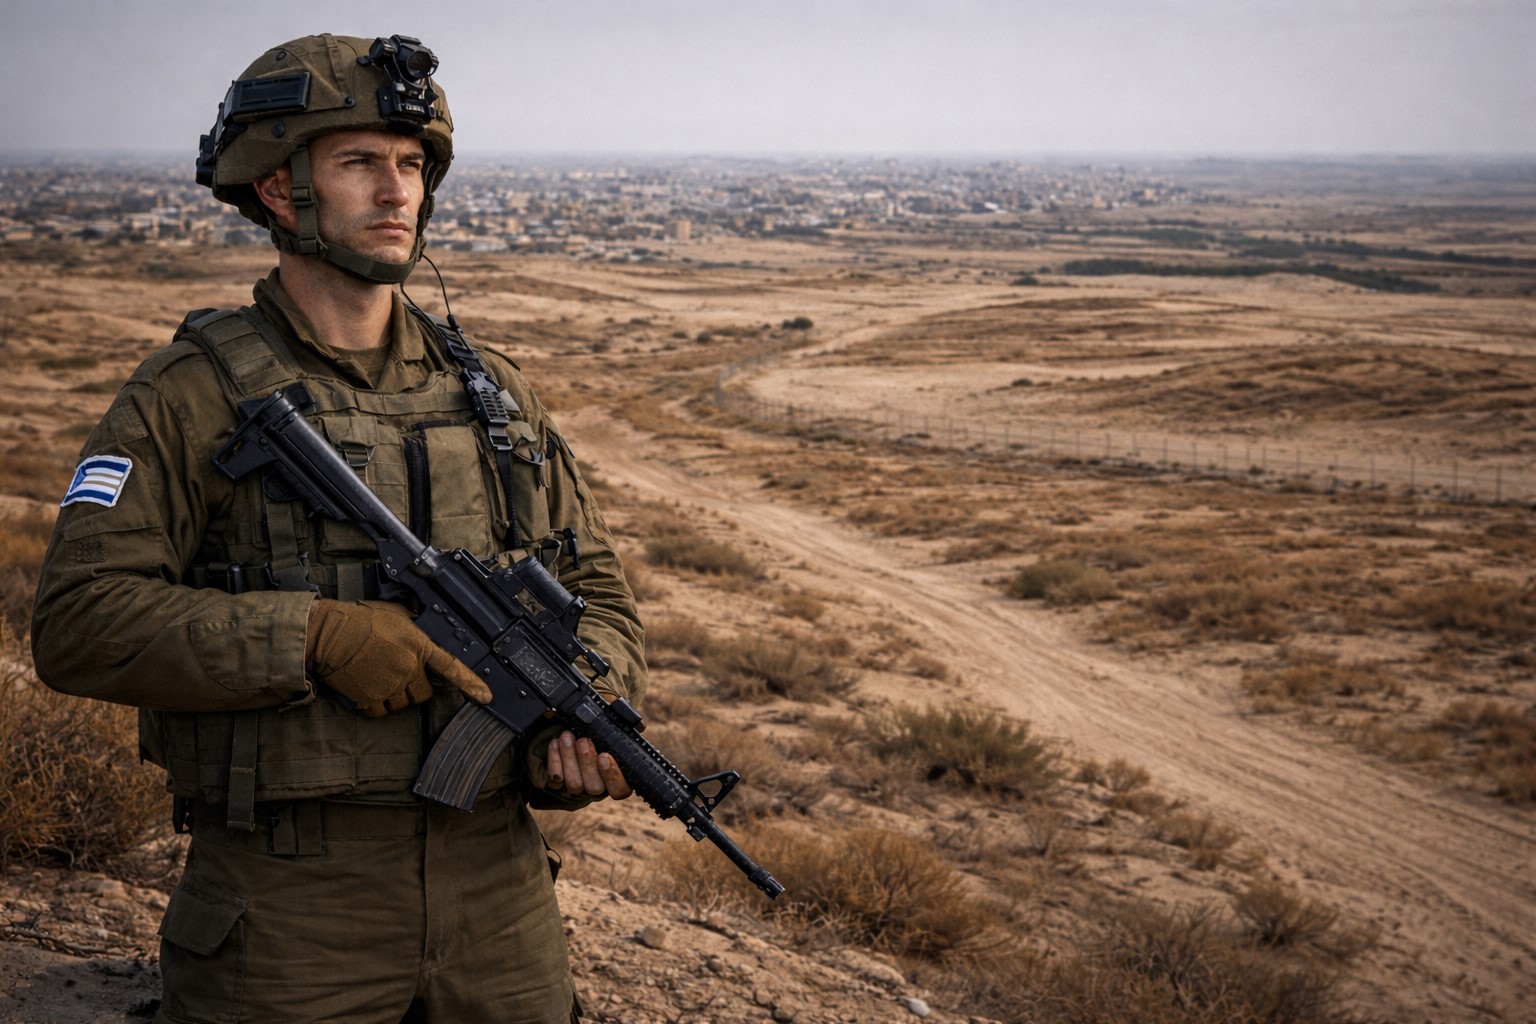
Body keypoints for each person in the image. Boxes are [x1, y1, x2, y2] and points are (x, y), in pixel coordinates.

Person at [31, 33, 645, 1024]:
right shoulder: (186, 399)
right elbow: (78, 621)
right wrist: (310, 636)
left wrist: (576, 714)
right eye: (360, 162)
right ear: (279, 190)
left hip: (500, 899)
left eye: (410, 165)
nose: (396, 192)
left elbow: (602, 591)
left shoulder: (491, 395)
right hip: (284, 909)